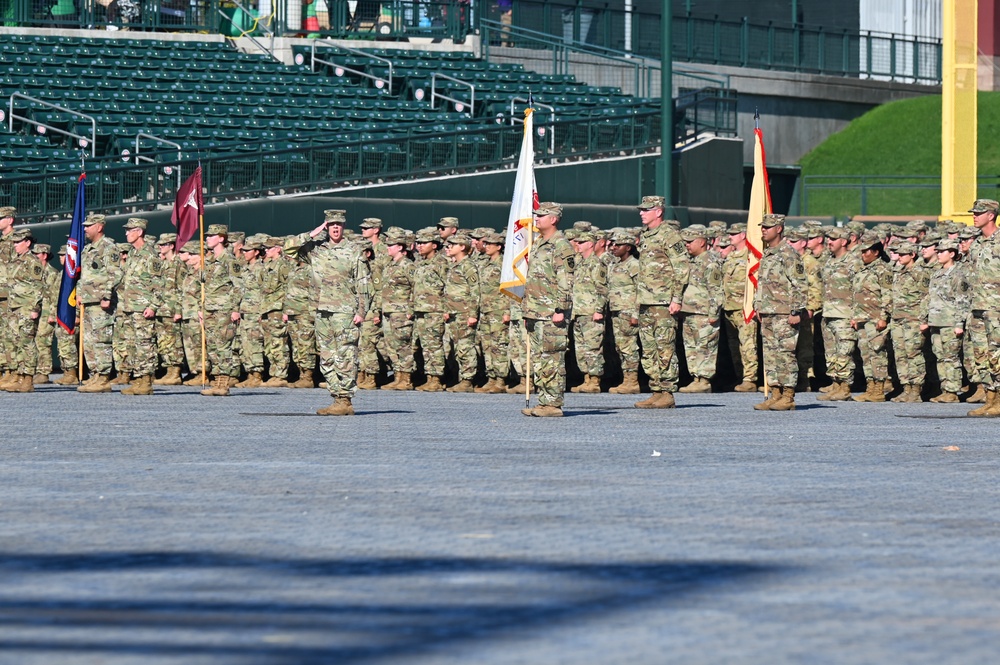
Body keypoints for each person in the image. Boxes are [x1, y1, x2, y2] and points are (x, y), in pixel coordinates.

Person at [286, 210, 370, 416]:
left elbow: (363, 283)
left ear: (343, 226)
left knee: (346, 354)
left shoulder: (353, 250)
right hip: (321, 310)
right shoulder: (315, 249)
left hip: (344, 310)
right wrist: (311, 234)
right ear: (325, 226)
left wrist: (361, 311)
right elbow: (288, 249)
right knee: (326, 355)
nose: (335, 228)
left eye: (338, 225)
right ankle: (336, 397)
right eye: (331, 224)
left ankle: (345, 399)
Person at [634, 195, 689, 409]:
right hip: (646, 301)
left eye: (646, 209)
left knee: (664, 347)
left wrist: (676, 298)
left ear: (658, 211)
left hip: (664, 302)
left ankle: (667, 392)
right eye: (641, 209)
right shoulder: (646, 235)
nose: (641, 213)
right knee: (649, 349)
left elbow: (682, 267)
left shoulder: (669, 235)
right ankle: (656, 389)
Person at [520, 202, 575, 417]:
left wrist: (561, 308)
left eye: (542, 215)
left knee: (552, 357)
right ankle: (544, 401)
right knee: (541, 358)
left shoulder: (561, 246)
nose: (537, 218)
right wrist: (528, 310)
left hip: (552, 312)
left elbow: (566, 281)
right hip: (536, 311)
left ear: (553, 219)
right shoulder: (539, 243)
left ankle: (553, 404)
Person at [753, 214, 807, 411]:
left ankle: (788, 395)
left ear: (779, 229)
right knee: (771, 355)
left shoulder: (789, 254)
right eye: (763, 226)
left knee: (785, 354)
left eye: (768, 227)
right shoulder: (769, 254)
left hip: (784, 313)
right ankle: (775, 393)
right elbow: (762, 284)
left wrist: (795, 311)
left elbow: (800, 284)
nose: (764, 230)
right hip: (768, 312)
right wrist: (757, 306)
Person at [76, 214, 122, 394]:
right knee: (89, 340)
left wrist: (106, 295)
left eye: (89, 225)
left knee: (101, 339)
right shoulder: (88, 249)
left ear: (99, 227)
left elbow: (115, 274)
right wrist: (80, 294)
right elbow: (84, 276)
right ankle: (94, 374)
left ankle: (103, 377)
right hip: (88, 300)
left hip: (100, 301)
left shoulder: (109, 248)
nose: (85, 229)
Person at [117, 217, 163, 396]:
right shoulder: (133, 254)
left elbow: (159, 283)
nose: (126, 233)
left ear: (139, 232)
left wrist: (153, 305)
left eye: (130, 230)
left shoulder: (150, 254)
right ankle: (137, 379)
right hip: (130, 307)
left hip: (143, 307)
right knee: (132, 345)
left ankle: (146, 381)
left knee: (145, 344)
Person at [922, 239, 970, 403]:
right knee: (940, 357)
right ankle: (945, 389)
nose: (939, 254)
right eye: (938, 251)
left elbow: (961, 300)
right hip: (936, 321)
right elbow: (930, 299)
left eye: (942, 251)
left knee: (951, 357)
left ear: (952, 253)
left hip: (950, 322)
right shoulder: (937, 274)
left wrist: (959, 324)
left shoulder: (958, 274)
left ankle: (952, 391)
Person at [677, 224, 722, 393]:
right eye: (685, 241)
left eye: (690, 241)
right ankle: (695, 377)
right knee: (691, 347)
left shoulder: (710, 262)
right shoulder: (691, 261)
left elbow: (716, 291)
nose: (687, 244)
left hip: (704, 313)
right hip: (689, 312)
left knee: (705, 347)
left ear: (702, 242)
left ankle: (704, 380)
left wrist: (713, 313)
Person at [966, 199, 1000, 416]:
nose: (974, 216)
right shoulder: (976, 243)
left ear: (991, 215)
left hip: (996, 307)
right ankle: (990, 398)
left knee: (998, 354)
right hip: (977, 306)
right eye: (974, 212)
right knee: (981, 354)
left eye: (979, 213)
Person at [850, 232, 893, 403]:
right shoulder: (862, 270)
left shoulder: (883, 270)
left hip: (876, 319)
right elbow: (857, 294)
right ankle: (870, 386)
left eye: (866, 251)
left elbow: (888, 295)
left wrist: (883, 317)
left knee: (877, 354)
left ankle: (879, 389)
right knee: (866, 354)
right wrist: (855, 316)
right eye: (861, 251)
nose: (863, 254)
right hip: (862, 318)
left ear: (876, 252)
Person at [199, 225, 242, 397]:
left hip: (224, 309)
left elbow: (238, 286)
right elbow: (205, 287)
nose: (207, 238)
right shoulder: (209, 260)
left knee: (223, 345)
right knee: (212, 346)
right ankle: (216, 381)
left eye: (211, 236)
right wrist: (201, 308)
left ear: (221, 238)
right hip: (210, 308)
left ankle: (223, 384)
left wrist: (235, 309)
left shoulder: (229, 260)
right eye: (207, 235)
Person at [817, 227, 859, 402]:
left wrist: (856, 314)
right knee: (831, 353)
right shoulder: (829, 261)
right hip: (828, 313)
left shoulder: (853, 262)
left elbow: (859, 289)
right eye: (828, 238)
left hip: (845, 314)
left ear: (844, 241)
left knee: (844, 352)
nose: (829, 241)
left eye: (833, 239)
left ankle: (845, 387)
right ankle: (836, 384)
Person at [889, 240, 930, 402]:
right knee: (900, 355)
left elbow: (927, 296)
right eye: (898, 254)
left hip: (914, 319)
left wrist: (924, 319)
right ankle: (906, 387)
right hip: (898, 319)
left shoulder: (920, 272)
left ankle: (916, 390)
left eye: (902, 254)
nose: (899, 257)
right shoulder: (899, 271)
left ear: (912, 255)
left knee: (914, 354)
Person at [3, 229, 44, 393]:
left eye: (18, 242)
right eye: (13, 242)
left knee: (27, 343)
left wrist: (35, 308)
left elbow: (38, 286)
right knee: (16, 342)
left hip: (27, 307)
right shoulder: (16, 261)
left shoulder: (32, 261)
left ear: (27, 242)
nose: (15, 245)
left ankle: (28, 378)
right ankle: (19, 375)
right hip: (14, 307)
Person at [720, 223, 759, 392]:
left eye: (734, 234)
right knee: (734, 346)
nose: (730, 236)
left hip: (745, 308)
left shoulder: (750, 257)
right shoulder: (731, 257)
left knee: (748, 344)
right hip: (729, 307)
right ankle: (740, 376)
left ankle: (750, 379)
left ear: (743, 235)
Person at [569, 229, 608, 394]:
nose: (577, 244)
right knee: (581, 348)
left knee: (593, 347)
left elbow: (602, 289)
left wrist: (599, 310)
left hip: (591, 312)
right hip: (578, 311)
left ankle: (595, 381)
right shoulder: (579, 263)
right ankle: (586, 378)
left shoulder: (596, 264)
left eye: (581, 242)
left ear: (590, 244)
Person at [411, 227, 448, 392]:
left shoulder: (441, 263)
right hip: (420, 310)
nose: (419, 245)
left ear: (434, 245)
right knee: (425, 346)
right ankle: (429, 376)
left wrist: (446, 308)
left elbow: (448, 287)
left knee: (434, 345)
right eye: (418, 242)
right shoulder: (419, 262)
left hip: (435, 310)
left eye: (424, 243)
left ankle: (437, 378)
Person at [442, 233, 481, 392]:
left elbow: (475, 291)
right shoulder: (454, 266)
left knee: (465, 347)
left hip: (464, 313)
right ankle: (461, 377)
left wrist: (472, 314)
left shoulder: (468, 266)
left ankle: (467, 381)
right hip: (453, 313)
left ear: (463, 247)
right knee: (458, 348)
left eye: (453, 244)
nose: (449, 247)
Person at [379, 228, 416, 391]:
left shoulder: (408, 265)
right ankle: (398, 376)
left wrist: (411, 308)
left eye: (391, 245)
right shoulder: (390, 266)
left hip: (401, 311)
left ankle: (406, 378)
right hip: (388, 311)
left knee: (403, 346)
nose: (388, 247)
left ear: (400, 247)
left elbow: (417, 287)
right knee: (391, 345)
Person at [475, 231, 511, 394]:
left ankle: (501, 379)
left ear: (499, 246)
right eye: (486, 243)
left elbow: (510, 289)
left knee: (499, 346)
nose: (486, 246)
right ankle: (492, 377)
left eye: (490, 244)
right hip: (486, 309)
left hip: (499, 310)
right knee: (487, 345)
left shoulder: (504, 264)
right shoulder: (486, 264)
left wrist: (507, 311)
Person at [606, 229, 641, 394]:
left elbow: (640, 289)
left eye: (618, 244)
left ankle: (632, 381)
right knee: (621, 347)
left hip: (628, 311)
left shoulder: (634, 265)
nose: (614, 247)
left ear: (628, 247)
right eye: (613, 244)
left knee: (629, 347)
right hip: (617, 311)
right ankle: (626, 379)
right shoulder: (616, 264)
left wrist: (636, 314)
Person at [153, 233, 185, 386]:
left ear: (172, 246)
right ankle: (168, 370)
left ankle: (175, 371)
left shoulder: (178, 264)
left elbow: (181, 288)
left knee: (173, 340)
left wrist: (178, 310)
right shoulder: (162, 264)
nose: (161, 247)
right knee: (164, 341)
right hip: (161, 308)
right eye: (159, 245)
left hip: (172, 308)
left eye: (164, 245)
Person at [260, 237, 292, 387]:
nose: (266, 250)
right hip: (268, 307)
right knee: (269, 343)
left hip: (278, 308)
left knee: (278, 342)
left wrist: (286, 309)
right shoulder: (268, 265)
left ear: (278, 249)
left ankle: (280, 375)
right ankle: (274, 373)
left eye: (269, 248)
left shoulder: (283, 265)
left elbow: (288, 288)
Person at [33, 243, 58, 385]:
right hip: (36, 311)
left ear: (45, 255)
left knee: (43, 342)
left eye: (37, 254)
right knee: (36, 341)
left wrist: (52, 314)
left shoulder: (52, 273)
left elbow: (54, 296)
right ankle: (38, 369)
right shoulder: (35, 272)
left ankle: (44, 372)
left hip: (47, 311)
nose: (35, 256)